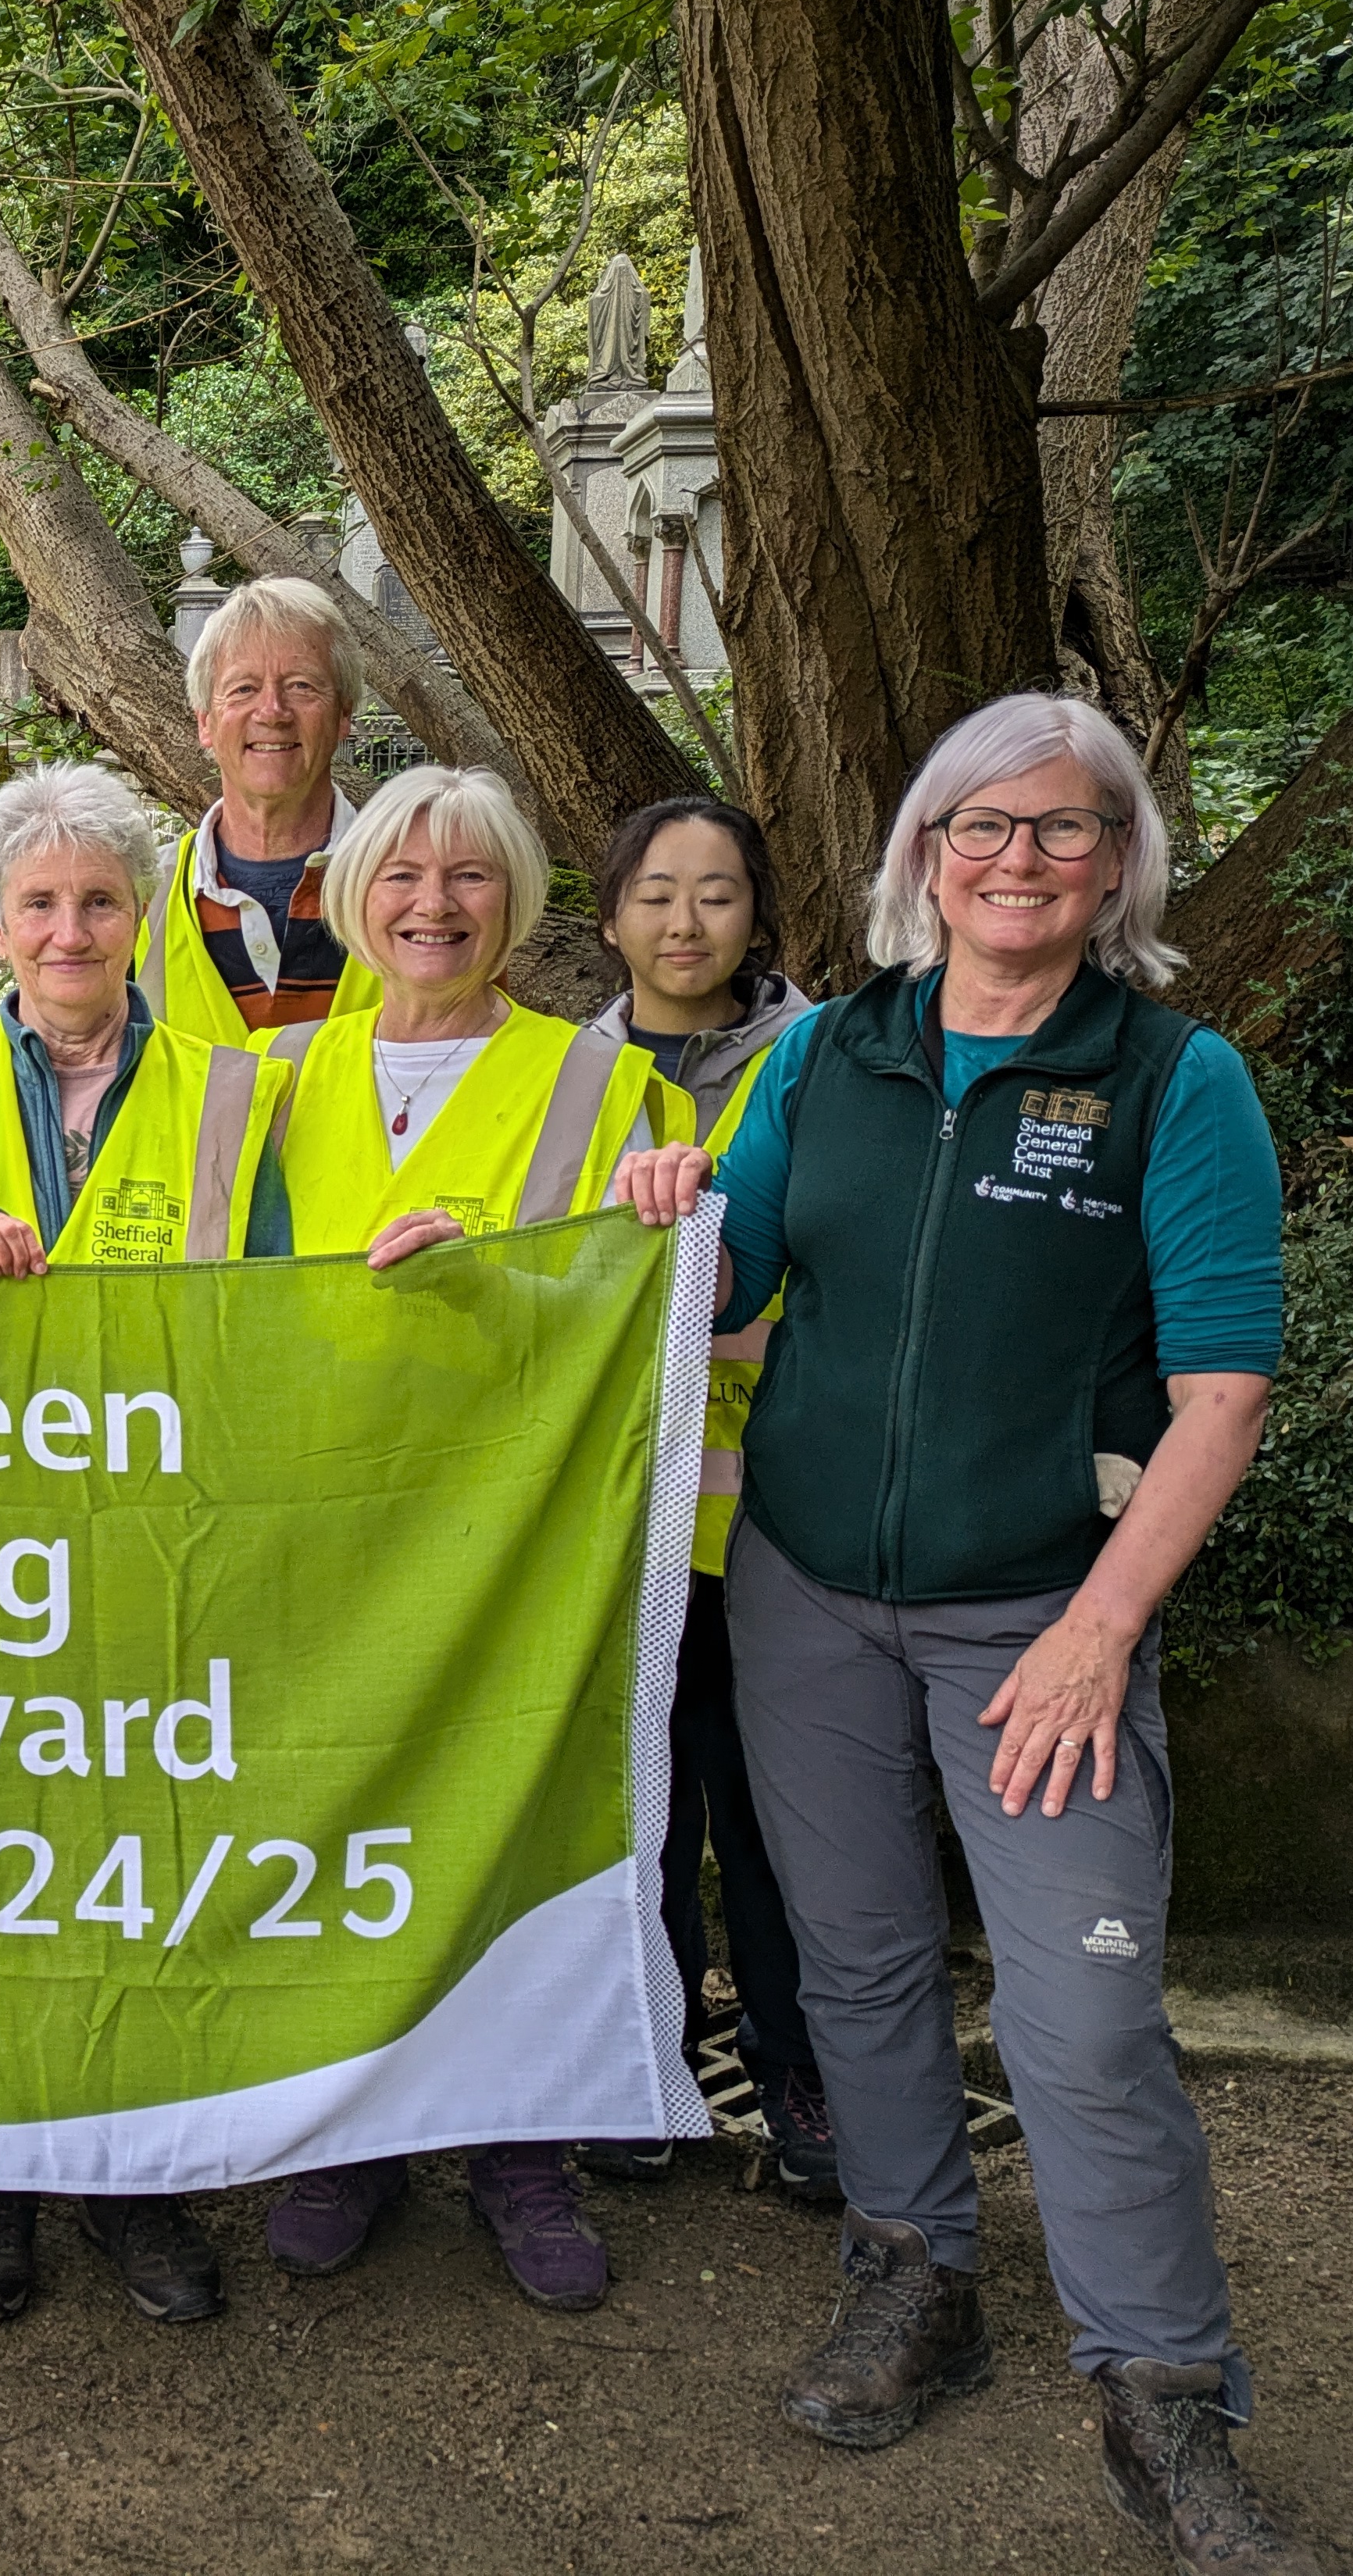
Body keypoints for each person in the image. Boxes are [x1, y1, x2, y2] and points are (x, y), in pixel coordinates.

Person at [619, 694, 1312, 2572]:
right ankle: (913, 2271)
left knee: (1081, 2017)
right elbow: (735, 1277)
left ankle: (1163, 2397)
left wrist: (1100, 1630)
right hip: (807, 1596)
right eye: (981, 829)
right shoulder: (825, 1053)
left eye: (1064, 832)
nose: (1019, 861)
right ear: (923, 855)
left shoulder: (1177, 1080)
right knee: (850, 1972)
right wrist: (664, 1210)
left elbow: (1222, 1390)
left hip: (1038, 1623)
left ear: (1117, 867)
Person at [0, 761, 294, 2329]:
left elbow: (287, 1305)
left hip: (158, 1539)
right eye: (36, 902)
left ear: (137, 914)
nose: (68, 926)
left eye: (97, 897)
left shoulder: (235, 1093)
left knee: (131, 1853)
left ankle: (128, 2168)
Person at [247, 762, 663, 2317]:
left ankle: (515, 2142)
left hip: (509, 1523)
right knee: (339, 1815)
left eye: (468, 876)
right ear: (354, 898)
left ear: (516, 900)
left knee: (505, 1822)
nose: (432, 902)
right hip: (321, 1513)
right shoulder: (271, 1077)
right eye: (402, 875)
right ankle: (350, 2124)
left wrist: (486, 1286)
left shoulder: (601, 1083)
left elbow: (628, 1313)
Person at [579, 796, 833, 2198]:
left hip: (781, 1514)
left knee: (781, 1812)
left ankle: (795, 2069)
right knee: (638, 1806)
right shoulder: (561, 1076)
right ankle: (641, 2059)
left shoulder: (822, 1060)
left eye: (717, 893)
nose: (684, 924)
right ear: (608, 914)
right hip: (617, 1520)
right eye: (655, 894)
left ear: (756, 913)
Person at [134, 575, 383, 1044]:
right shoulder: (144, 899)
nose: (272, 711)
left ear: (344, 715)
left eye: (302, 685)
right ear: (205, 721)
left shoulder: (417, 890)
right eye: (244, 689)